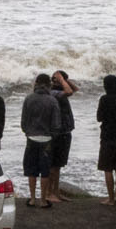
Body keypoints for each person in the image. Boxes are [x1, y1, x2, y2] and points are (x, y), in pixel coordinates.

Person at [19, 72, 62, 208]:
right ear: (48, 85)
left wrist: (27, 132)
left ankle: (32, 198)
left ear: (36, 83)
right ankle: (43, 200)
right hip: (47, 139)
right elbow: (56, 123)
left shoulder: (29, 98)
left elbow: (24, 121)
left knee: (31, 169)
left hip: (31, 137)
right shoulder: (52, 100)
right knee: (45, 170)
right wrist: (53, 135)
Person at [45, 71, 79, 203]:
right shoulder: (53, 93)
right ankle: (49, 193)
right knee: (52, 165)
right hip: (57, 133)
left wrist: (65, 79)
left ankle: (55, 192)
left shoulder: (60, 92)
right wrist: (60, 80)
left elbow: (75, 89)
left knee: (58, 165)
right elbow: (70, 92)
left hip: (64, 132)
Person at [95, 74, 116, 206]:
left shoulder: (104, 99)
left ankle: (110, 198)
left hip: (108, 136)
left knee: (107, 168)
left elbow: (99, 117)